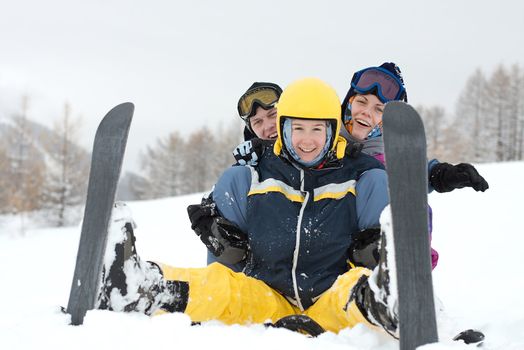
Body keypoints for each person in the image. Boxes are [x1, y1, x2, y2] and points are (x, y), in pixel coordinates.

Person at [98, 78, 401, 336]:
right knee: (223, 288)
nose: (306, 140)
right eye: (298, 129)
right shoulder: (257, 174)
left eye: (316, 130)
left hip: (329, 296)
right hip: (269, 296)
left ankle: (387, 301)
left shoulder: (355, 176)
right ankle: (140, 287)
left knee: (352, 287)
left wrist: (375, 245)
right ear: (283, 130)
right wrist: (213, 221)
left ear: (332, 131)